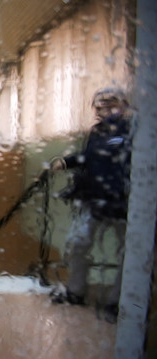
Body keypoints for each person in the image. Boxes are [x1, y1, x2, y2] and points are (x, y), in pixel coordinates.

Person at [50, 87, 134, 323]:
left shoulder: (134, 130)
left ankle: (118, 302)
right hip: (95, 200)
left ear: (123, 104)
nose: (103, 109)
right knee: (78, 243)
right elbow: (89, 158)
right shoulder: (97, 132)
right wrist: (65, 162)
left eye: (110, 103)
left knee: (128, 253)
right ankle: (76, 292)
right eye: (100, 105)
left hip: (124, 204)